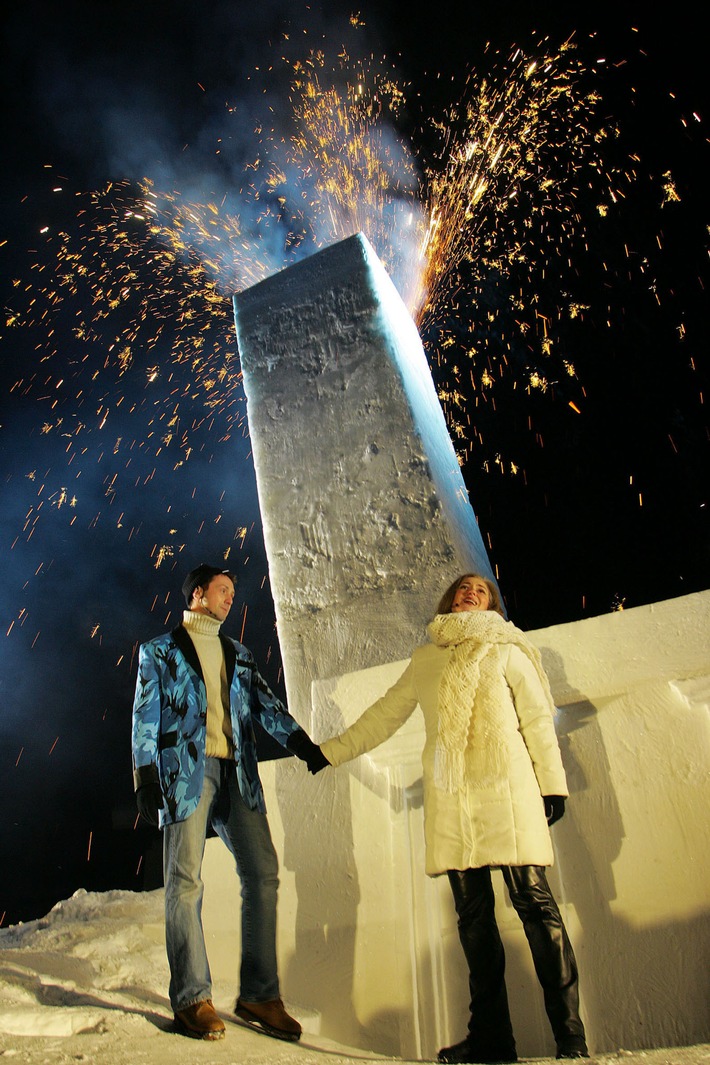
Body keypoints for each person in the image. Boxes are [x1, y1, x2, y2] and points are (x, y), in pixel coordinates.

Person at [318, 573, 589, 1064]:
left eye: (481, 590)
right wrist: (329, 753)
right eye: (463, 588)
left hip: (507, 787)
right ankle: (491, 1039)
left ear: (492, 605)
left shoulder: (506, 649)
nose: (470, 593)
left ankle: (571, 1037)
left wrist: (552, 783)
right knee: (474, 921)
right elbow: (384, 715)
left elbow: (534, 718)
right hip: (453, 796)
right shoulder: (426, 660)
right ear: (449, 600)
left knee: (535, 904)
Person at [131, 563, 327, 1042]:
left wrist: (301, 743)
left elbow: (265, 705)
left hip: (237, 774)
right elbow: (144, 714)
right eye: (222, 590)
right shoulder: (158, 650)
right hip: (185, 777)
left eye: (233, 593)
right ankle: (192, 998)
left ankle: (260, 994)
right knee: (184, 882)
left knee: (262, 872)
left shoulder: (238, 654)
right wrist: (143, 775)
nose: (230, 598)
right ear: (197, 594)